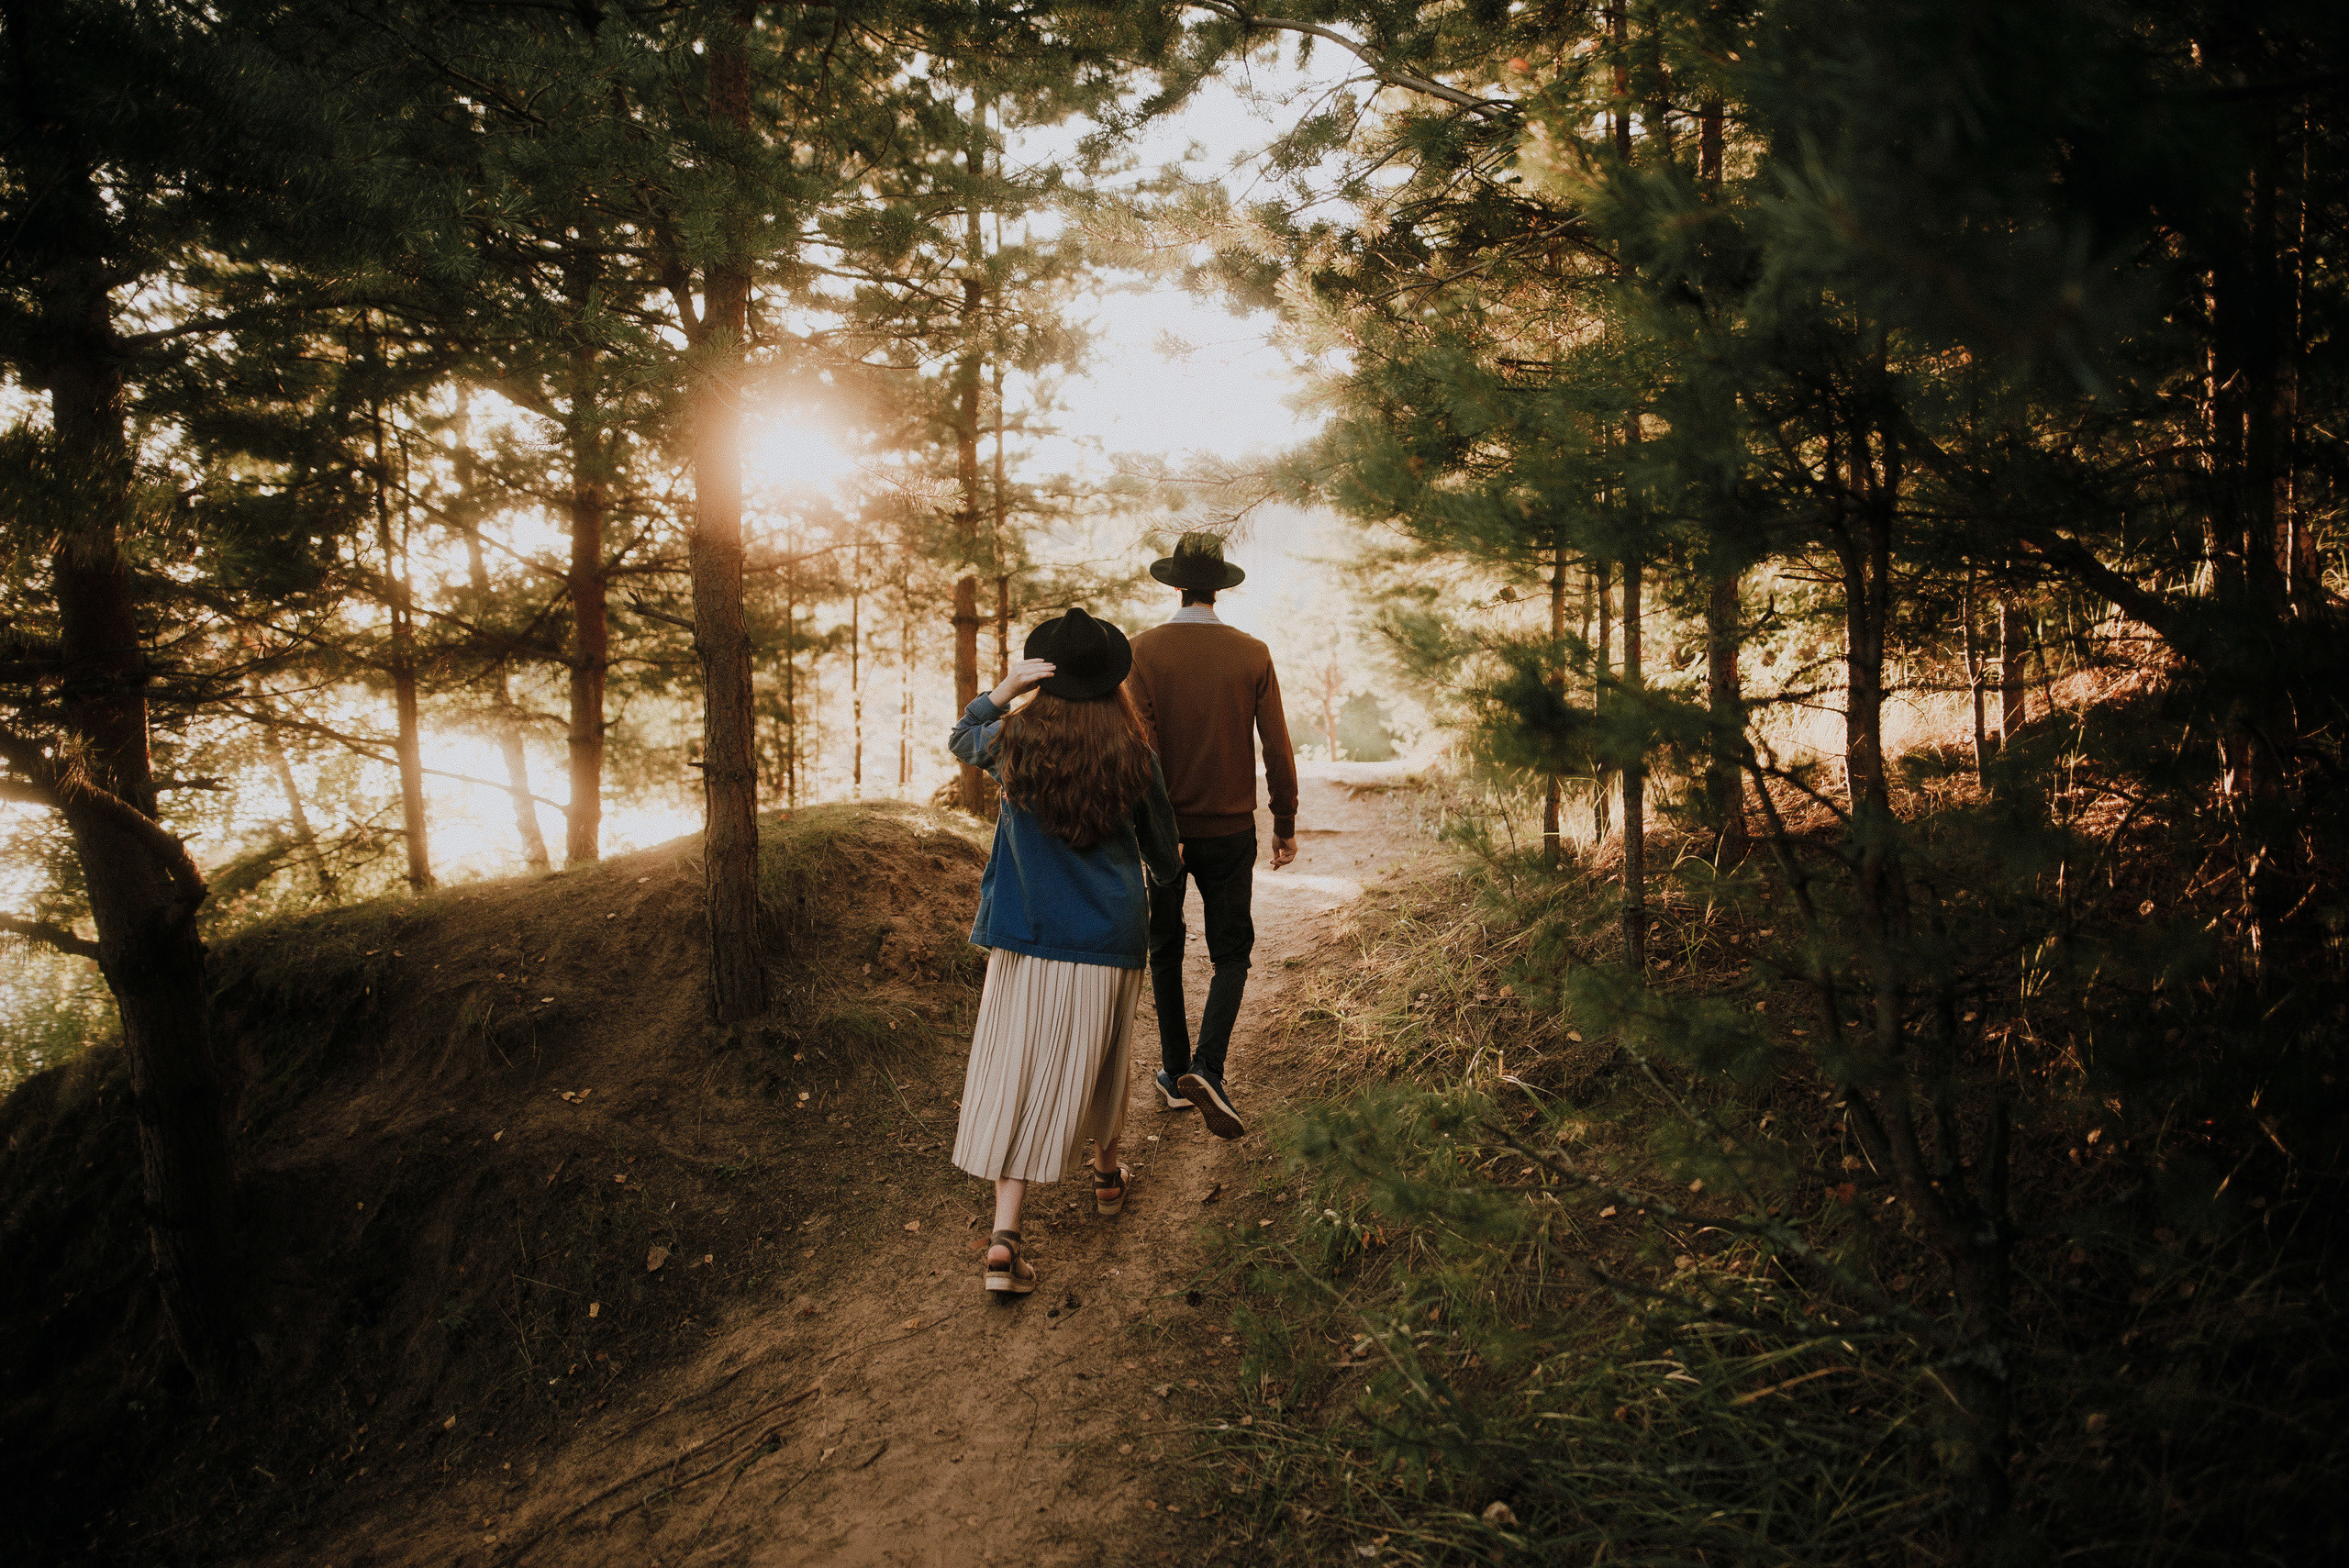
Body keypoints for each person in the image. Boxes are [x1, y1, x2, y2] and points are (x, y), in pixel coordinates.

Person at [948, 606, 1180, 1298]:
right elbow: (1165, 861)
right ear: (1112, 681)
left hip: (1027, 933)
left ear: (1046, 677)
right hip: (1109, 937)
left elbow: (960, 737)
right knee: (1104, 1058)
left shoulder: (1013, 741)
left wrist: (1005, 689)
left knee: (1016, 1070)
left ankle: (1005, 1238)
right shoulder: (1134, 754)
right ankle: (1107, 1178)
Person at [1123, 532, 1298, 1142]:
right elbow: (1276, 746)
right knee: (1231, 952)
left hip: (1166, 834)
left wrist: (1158, 828)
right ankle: (1209, 1068)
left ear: (1175, 584)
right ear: (1219, 588)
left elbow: (1142, 749)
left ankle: (1176, 1073)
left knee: (1165, 946)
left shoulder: (1141, 651)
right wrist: (1284, 822)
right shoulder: (1252, 653)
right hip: (1229, 830)